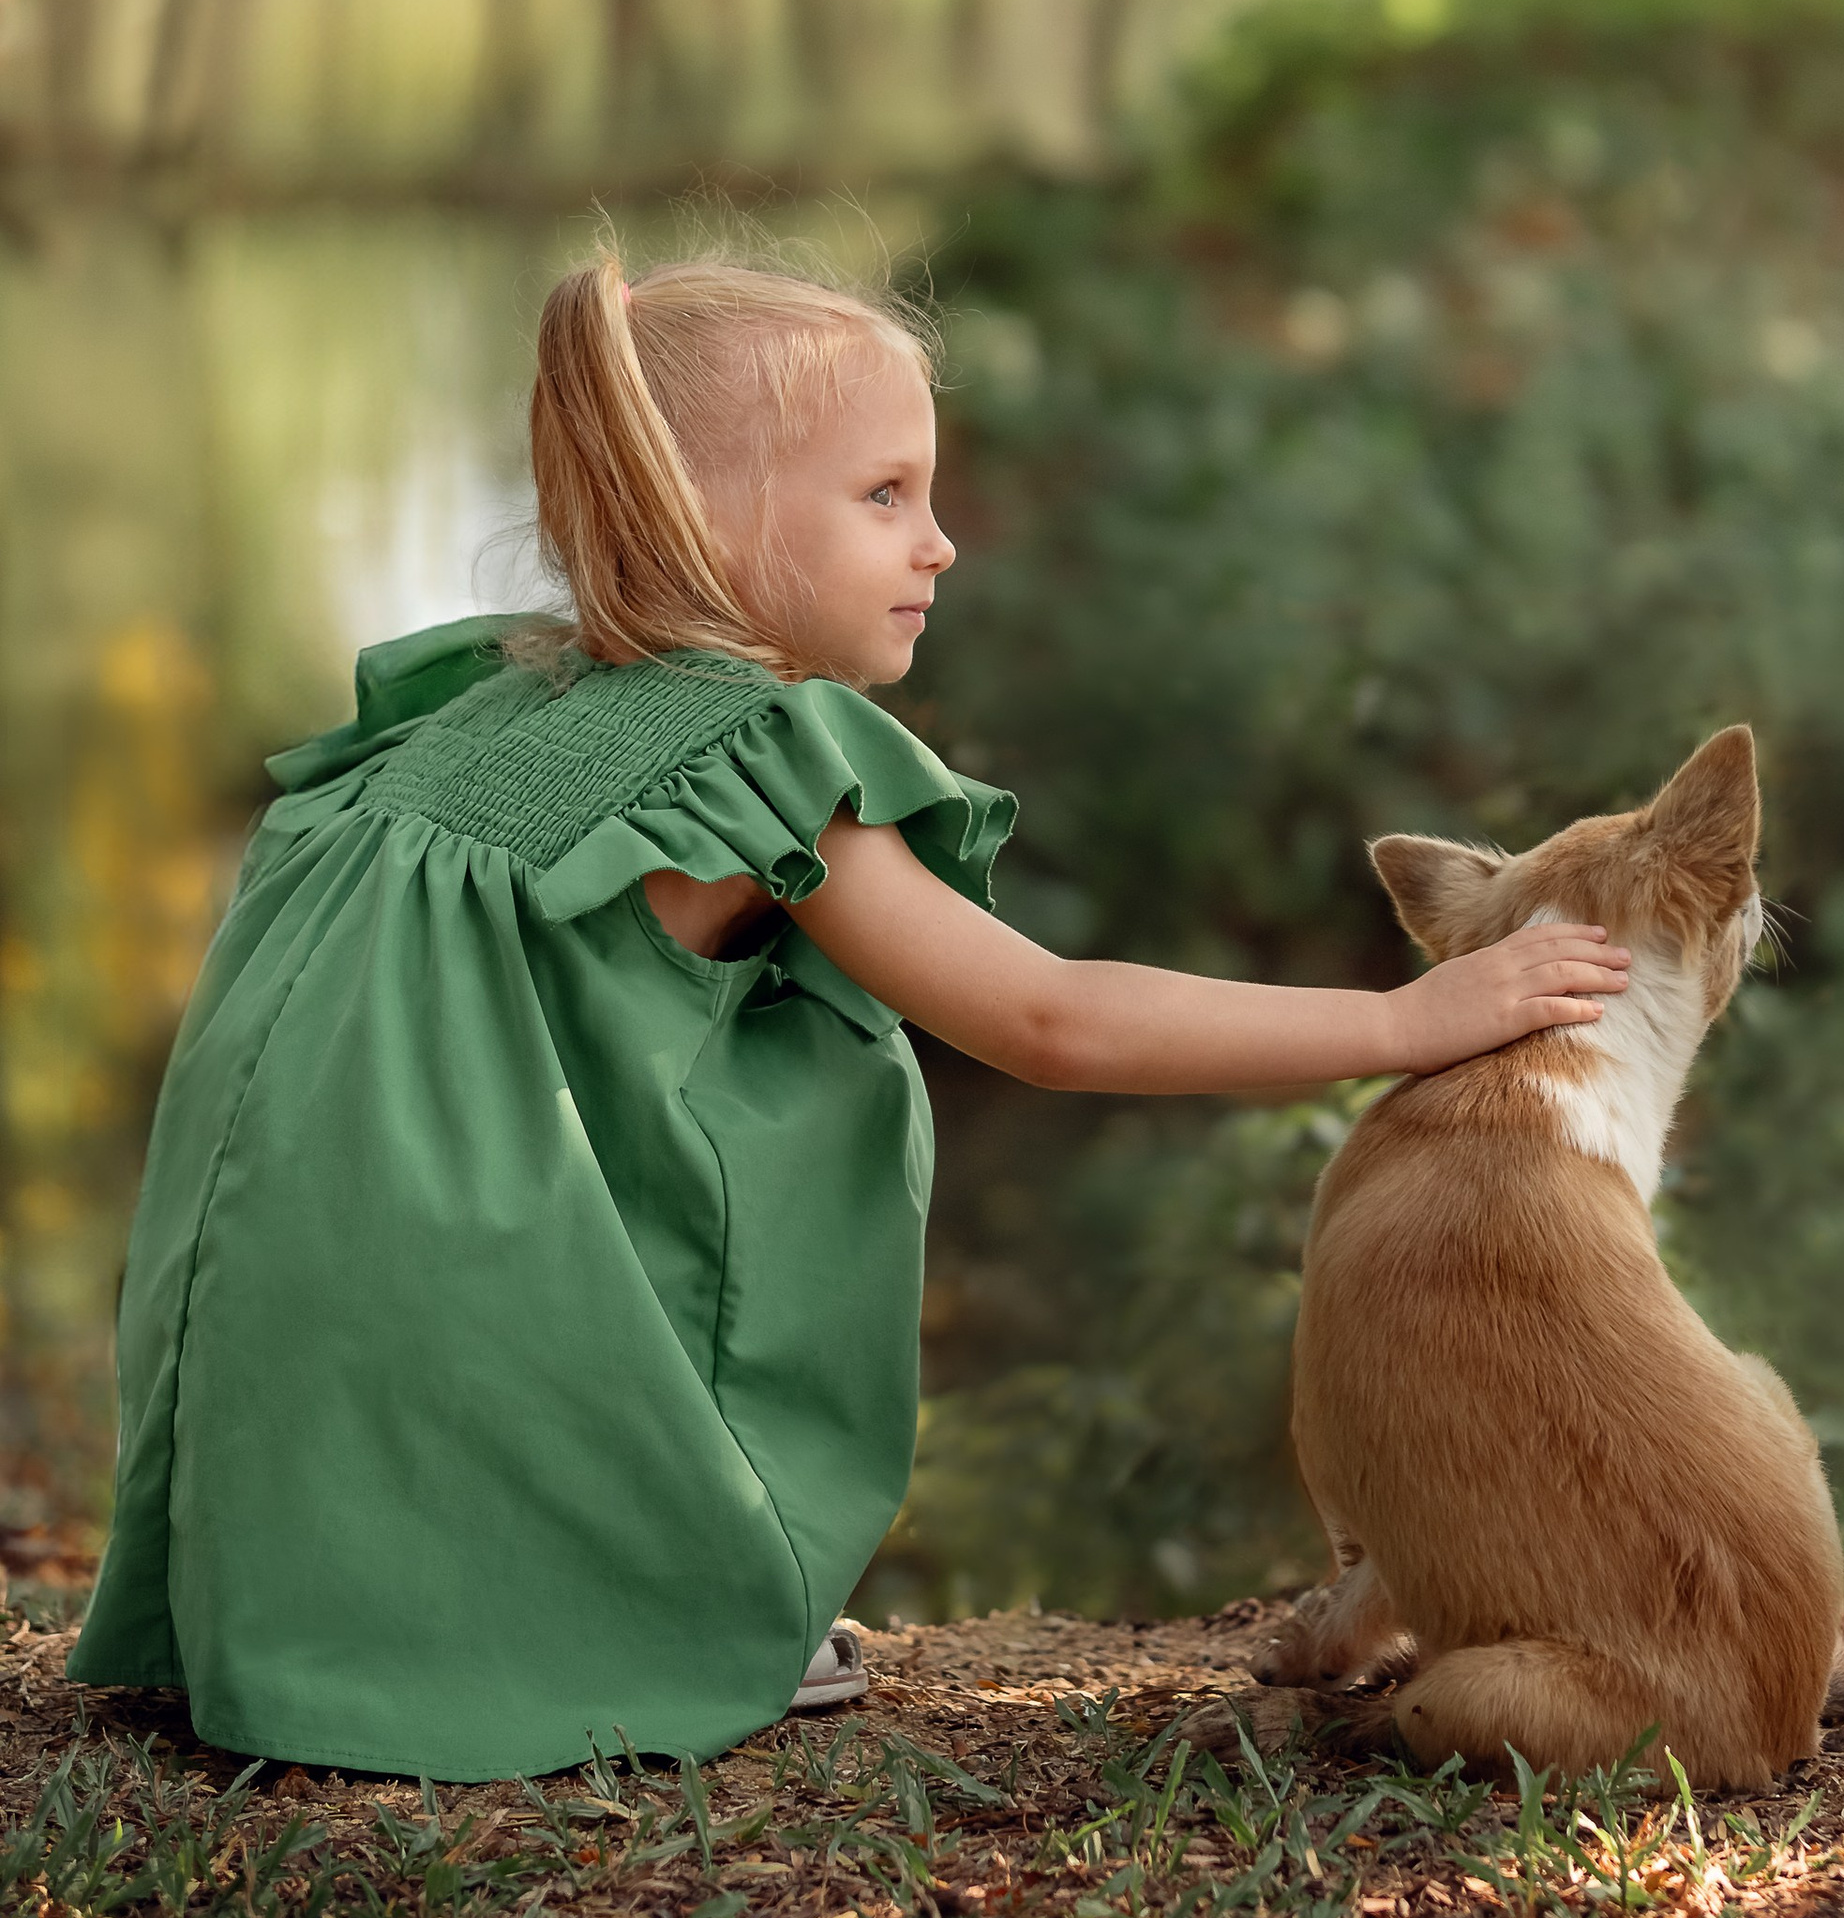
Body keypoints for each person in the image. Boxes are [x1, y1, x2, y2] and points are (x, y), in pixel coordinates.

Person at [69, 249, 1627, 1782]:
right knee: (754, 1133)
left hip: (297, 1344)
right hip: (455, 1316)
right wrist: (1419, 1016)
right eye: (884, 498)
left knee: (617, 1133)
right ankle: (628, 1606)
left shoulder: (480, 713)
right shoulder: (753, 752)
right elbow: (1051, 1020)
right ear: (705, 515)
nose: (939, 544)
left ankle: (345, 1606)